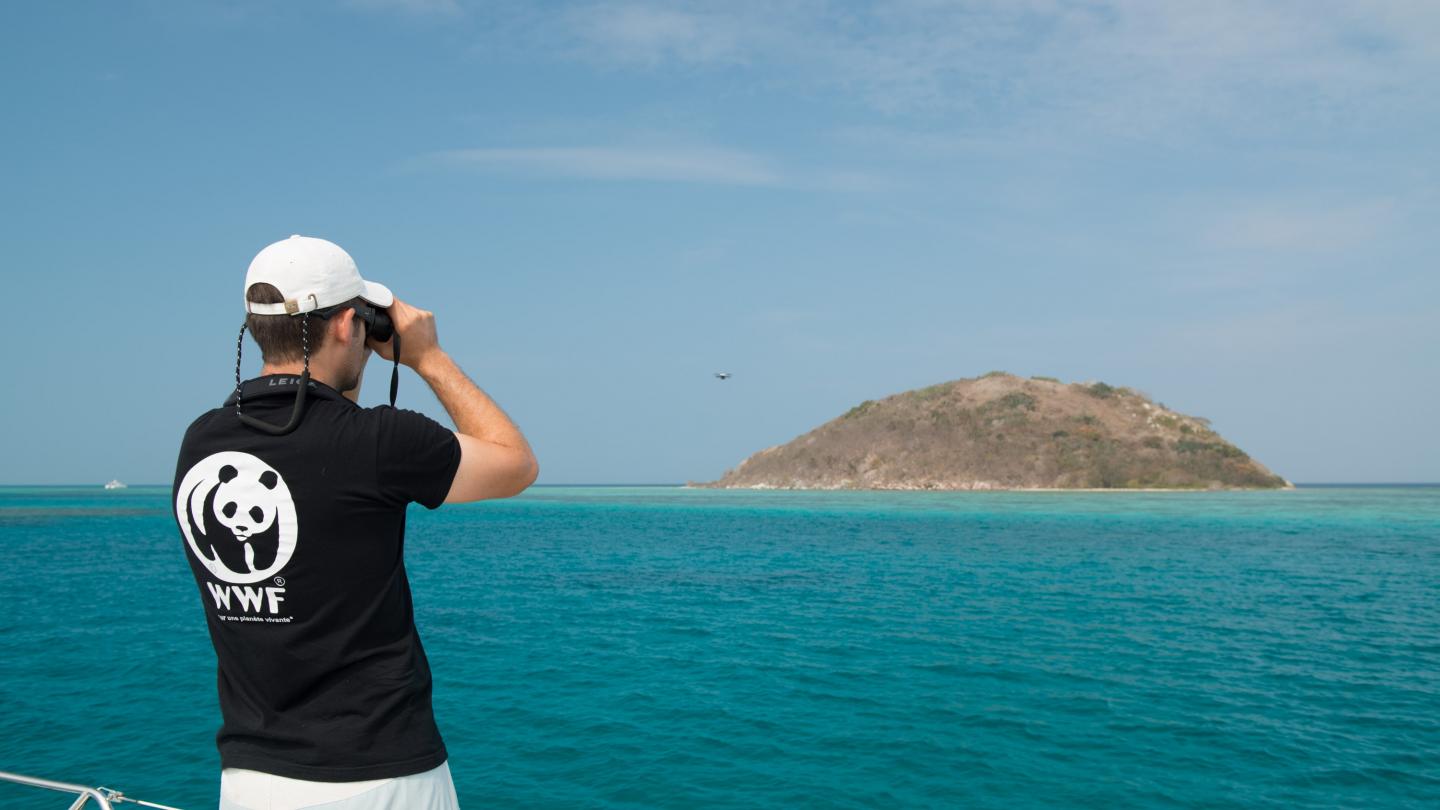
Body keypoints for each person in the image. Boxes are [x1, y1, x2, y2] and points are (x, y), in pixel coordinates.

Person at [172, 235, 537, 810]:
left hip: (250, 781)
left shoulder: (202, 444)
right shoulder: (379, 442)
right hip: (380, 778)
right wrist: (427, 357)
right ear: (347, 325)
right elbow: (516, 464)